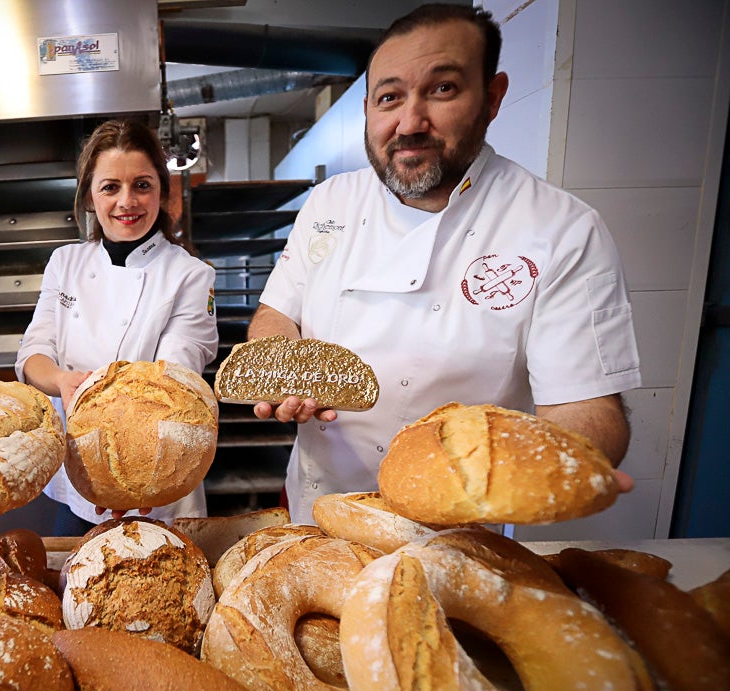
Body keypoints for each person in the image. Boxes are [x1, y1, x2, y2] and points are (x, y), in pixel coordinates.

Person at [249, 4, 641, 525]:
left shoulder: (562, 230)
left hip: (454, 532)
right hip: (318, 508)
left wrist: (571, 461)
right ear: (368, 107)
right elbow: (276, 315)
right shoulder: (329, 203)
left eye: (442, 90)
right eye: (390, 98)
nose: (410, 123)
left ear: (493, 97)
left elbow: (586, 407)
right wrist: (280, 366)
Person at [16, 119, 219, 535]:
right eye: (111, 187)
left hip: (158, 481)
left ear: (162, 191)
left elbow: (174, 382)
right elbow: (33, 354)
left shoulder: (191, 275)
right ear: (90, 195)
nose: (128, 201)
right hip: (76, 476)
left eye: (142, 185)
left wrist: (137, 480)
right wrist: (62, 381)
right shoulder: (65, 263)